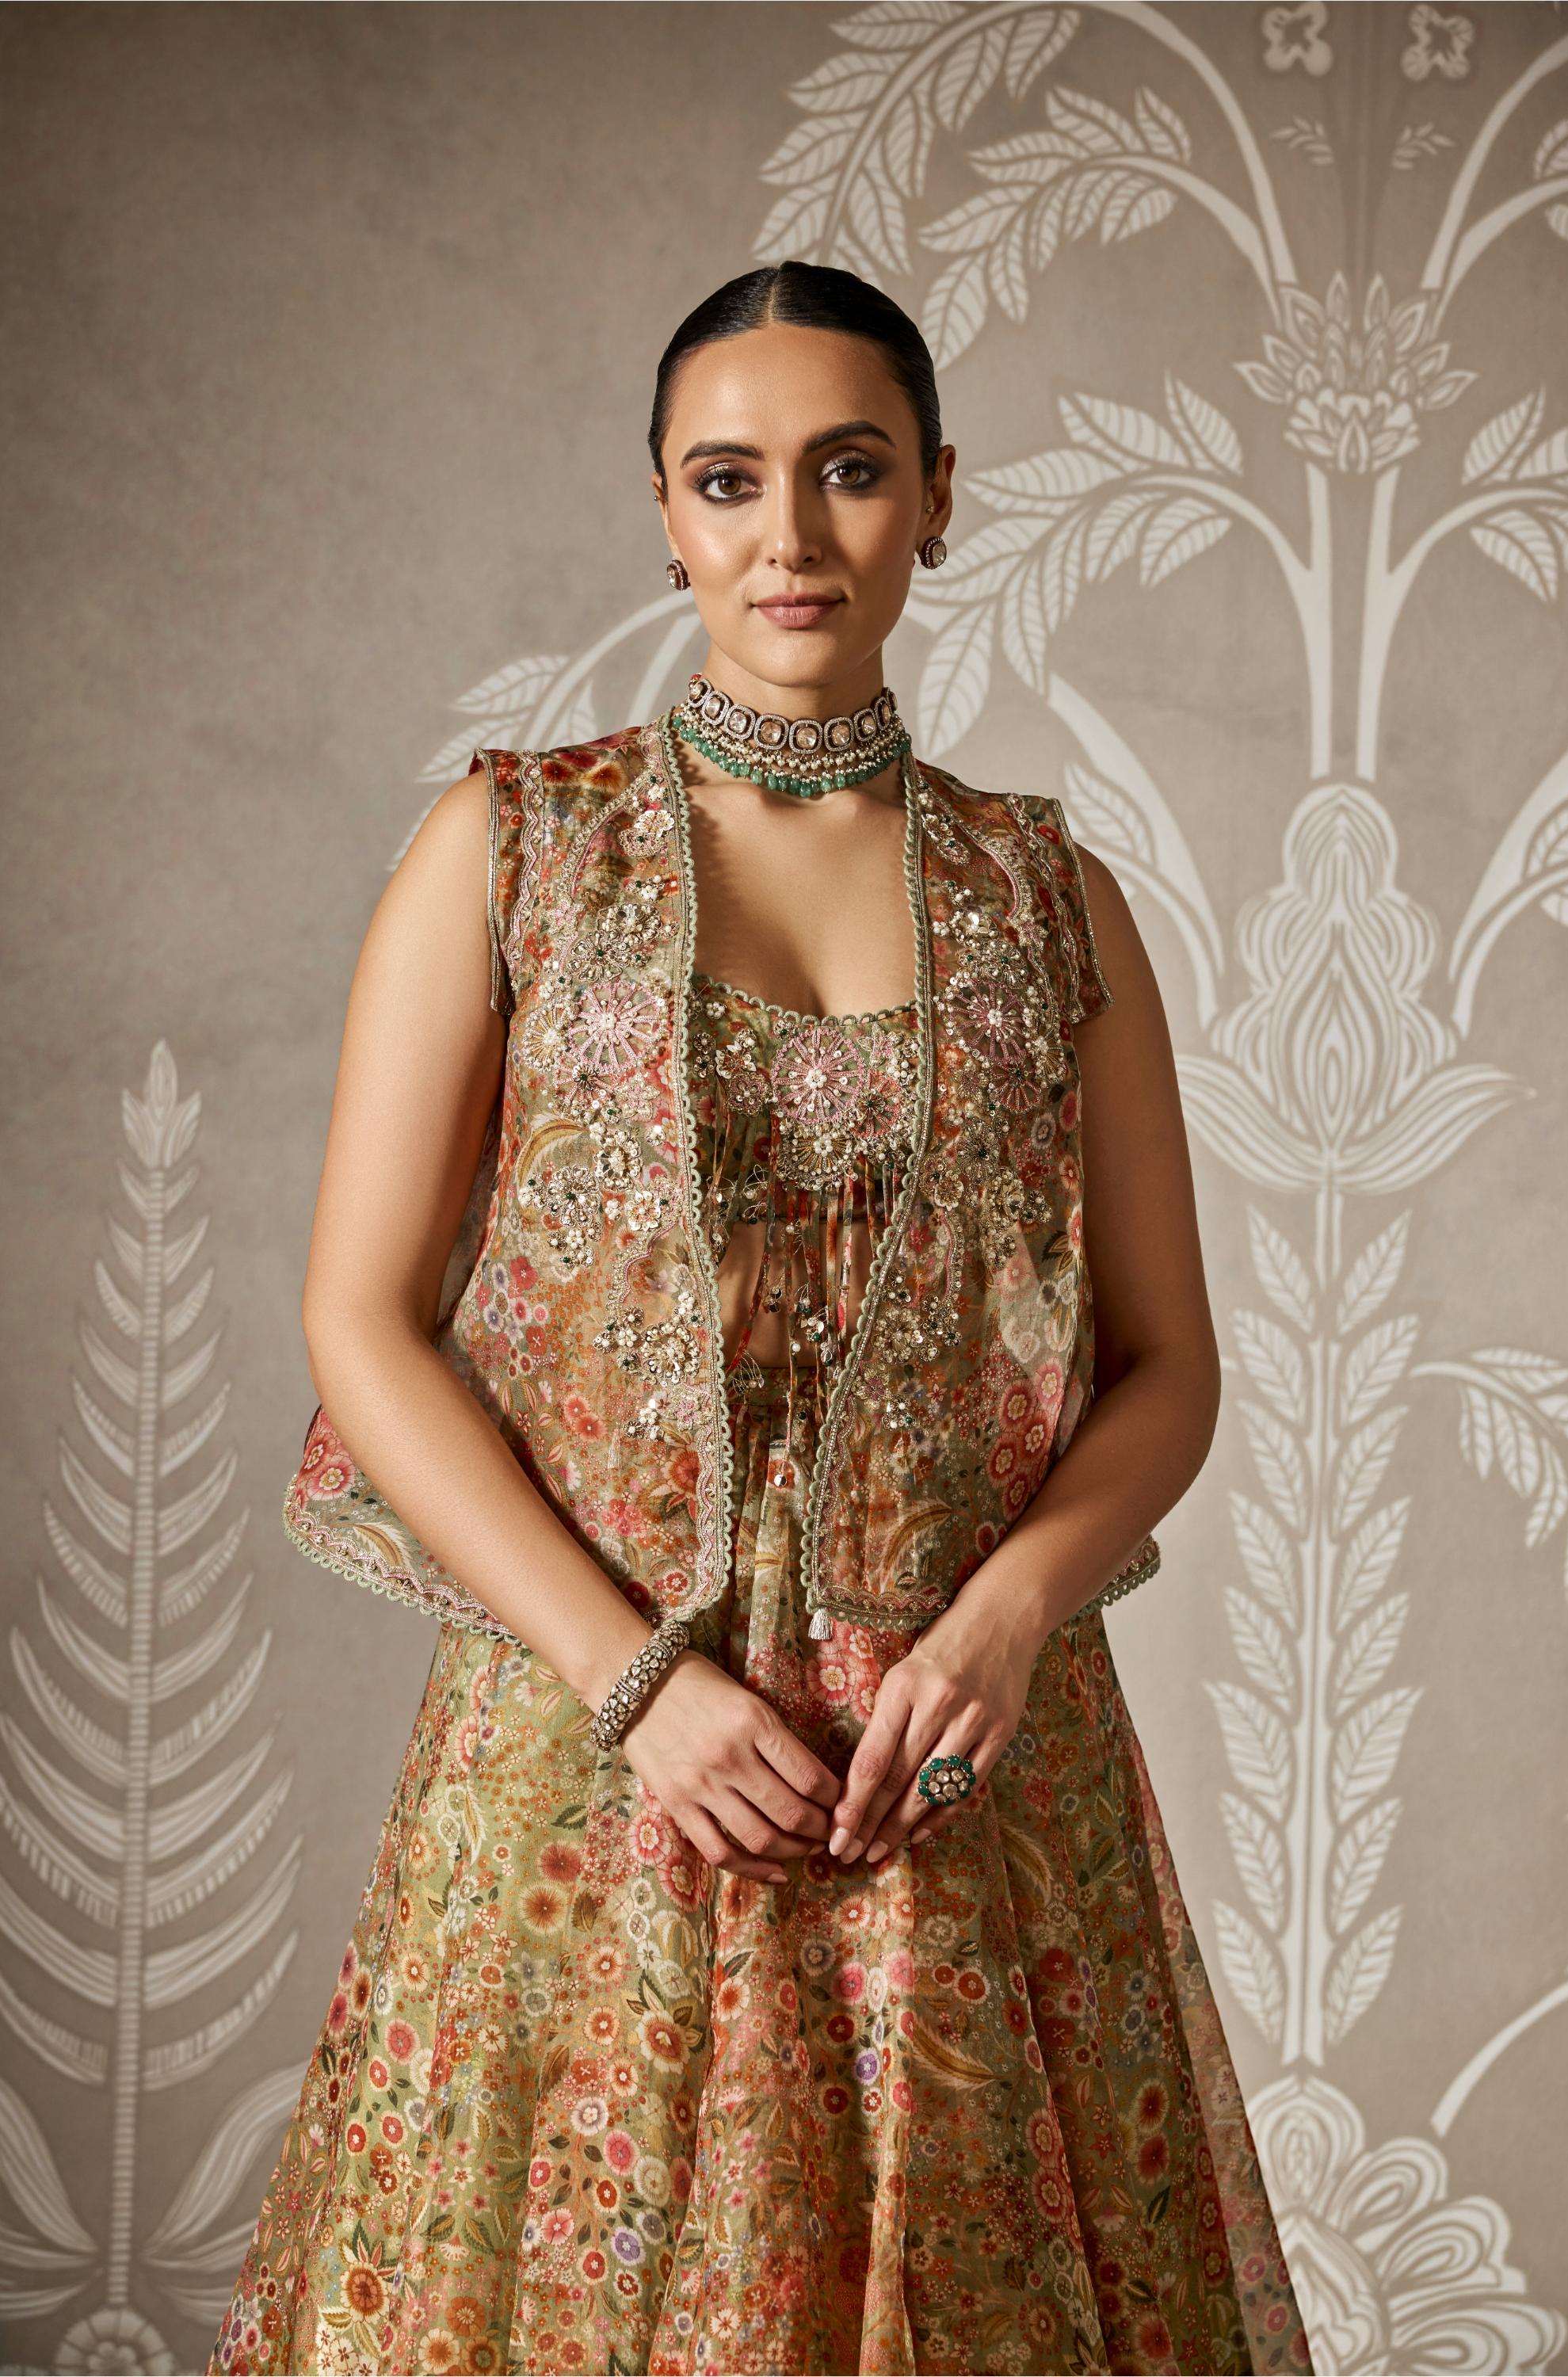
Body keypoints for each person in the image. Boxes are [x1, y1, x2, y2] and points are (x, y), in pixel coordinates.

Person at [209, 260, 1311, 2376]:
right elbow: (363, 1318)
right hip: (594, 1757)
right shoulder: (514, 851)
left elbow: (1169, 1365)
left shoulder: (1044, 896)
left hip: (945, 1780)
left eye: (851, 471)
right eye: (730, 480)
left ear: (940, 498)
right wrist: (638, 1685)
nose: (791, 534)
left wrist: (1002, 1627)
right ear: (664, 512)